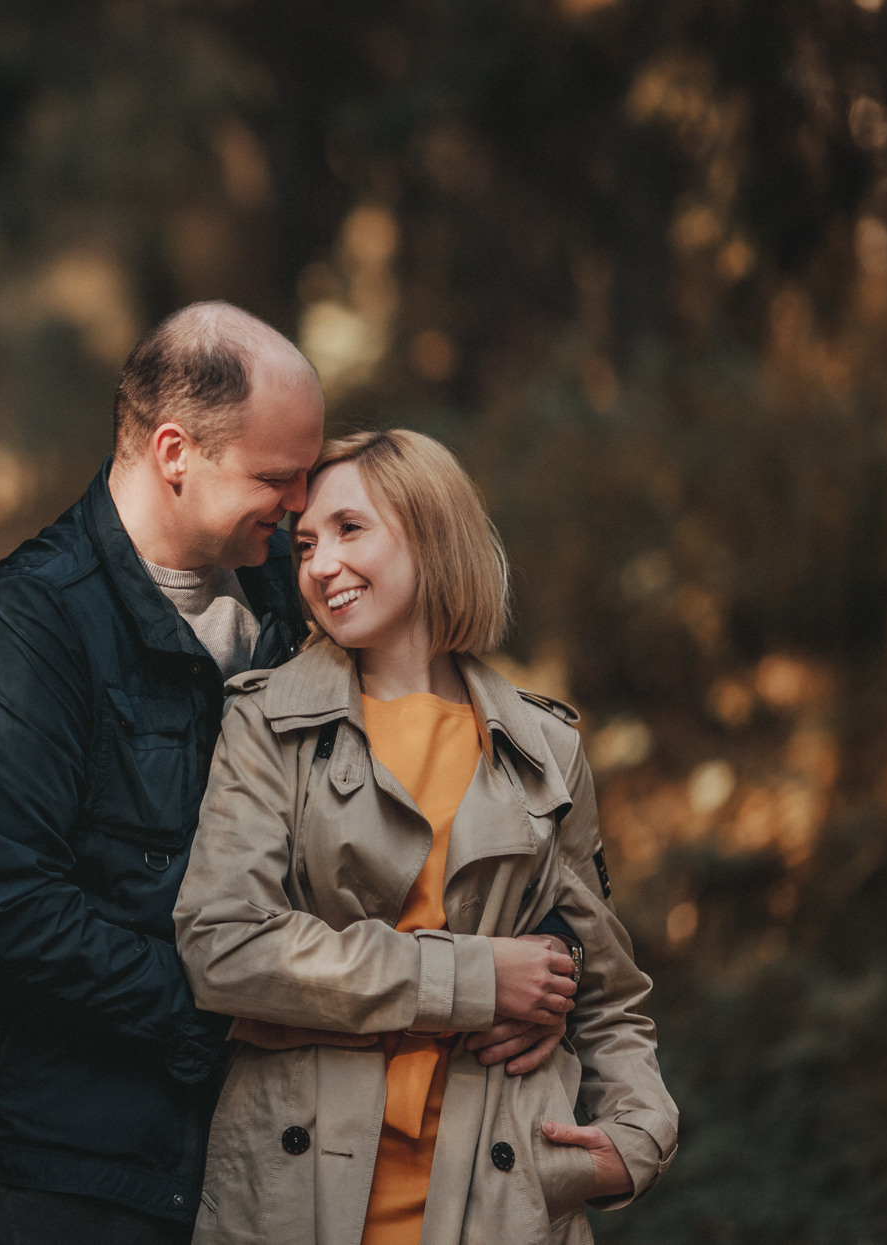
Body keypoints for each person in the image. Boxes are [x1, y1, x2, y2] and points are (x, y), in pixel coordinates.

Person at [0, 307, 578, 1244]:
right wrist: (230, 1010)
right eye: (277, 477)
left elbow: (455, 789)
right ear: (173, 450)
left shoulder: (295, 590)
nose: (299, 504)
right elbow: (5, 910)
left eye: (307, 475)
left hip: (275, 1161)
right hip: (69, 1167)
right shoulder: (30, 631)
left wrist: (549, 965)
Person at [174, 429, 678, 1245]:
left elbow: (607, 990)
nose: (318, 565)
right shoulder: (264, 722)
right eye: (303, 544)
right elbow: (222, 943)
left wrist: (638, 1137)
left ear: (430, 530)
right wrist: (473, 976)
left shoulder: (546, 748)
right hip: (296, 1193)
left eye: (348, 529)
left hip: (504, 1196)